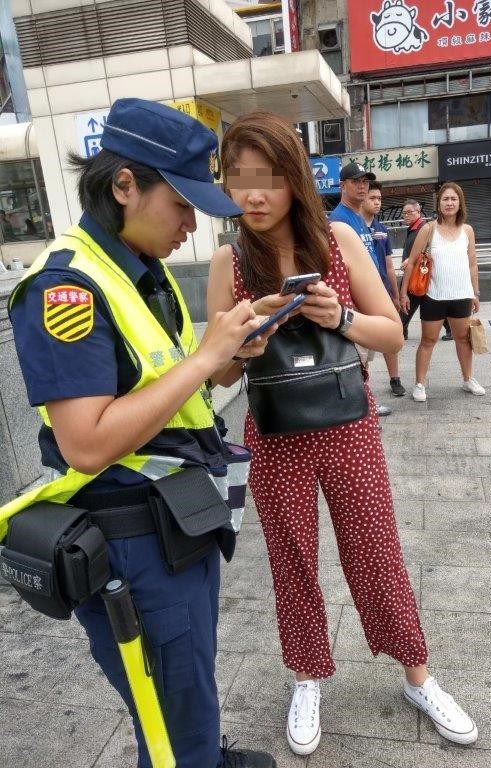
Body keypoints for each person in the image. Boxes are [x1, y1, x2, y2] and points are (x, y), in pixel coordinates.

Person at [5, 98, 277, 768]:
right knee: (165, 703)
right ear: (124, 184)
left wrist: (232, 351)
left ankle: (204, 754)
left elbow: (173, 391)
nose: (192, 223)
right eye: (180, 203)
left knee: (187, 676)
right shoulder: (66, 288)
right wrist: (207, 359)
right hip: (131, 539)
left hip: (178, 519)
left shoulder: (142, 270)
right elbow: (87, 442)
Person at [207, 111, 478, 758]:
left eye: (268, 177)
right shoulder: (228, 259)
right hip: (273, 431)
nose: (254, 195)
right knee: (292, 557)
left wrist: (344, 315)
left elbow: (392, 332)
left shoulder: (337, 242)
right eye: (239, 179)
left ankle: (417, 673)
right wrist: (247, 342)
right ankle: (307, 677)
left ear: (294, 178)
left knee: (375, 549)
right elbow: (214, 375)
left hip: (347, 425)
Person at [400, 182, 485, 402]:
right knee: (428, 340)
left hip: (461, 295)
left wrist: (475, 292)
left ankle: (468, 379)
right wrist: (402, 293)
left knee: (463, 339)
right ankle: (419, 384)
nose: (449, 203)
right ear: (438, 203)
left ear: (460, 203)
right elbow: (411, 264)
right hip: (433, 294)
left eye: (453, 199)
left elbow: (472, 264)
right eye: (445, 199)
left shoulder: (467, 230)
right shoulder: (428, 229)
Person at [328, 161, 392, 416]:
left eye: (365, 181)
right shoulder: (339, 220)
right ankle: (359, 411)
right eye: (356, 181)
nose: (362, 186)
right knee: (358, 360)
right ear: (342, 186)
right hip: (355, 305)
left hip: (368, 302)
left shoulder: (357, 217)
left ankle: (366, 406)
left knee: (365, 360)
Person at [360, 181, 405, 396]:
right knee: (361, 341)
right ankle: (362, 384)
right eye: (373, 198)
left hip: (384, 292)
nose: (377, 203)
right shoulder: (351, 226)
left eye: (379, 199)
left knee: (389, 337)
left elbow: (388, 265)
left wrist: (396, 296)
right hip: (361, 293)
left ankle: (394, 378)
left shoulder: (382, 229)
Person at [399, 199, 451, 341]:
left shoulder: (424, 228)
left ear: (418, 212)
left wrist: (410, 260)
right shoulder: (413, 228)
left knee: (407, 301)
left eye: (409, 212)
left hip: (420, 273)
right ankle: (402, 330)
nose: (406, 215)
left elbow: (431, 248)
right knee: (422, 301)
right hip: (417, 273)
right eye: (404, 213)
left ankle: (400, 329)